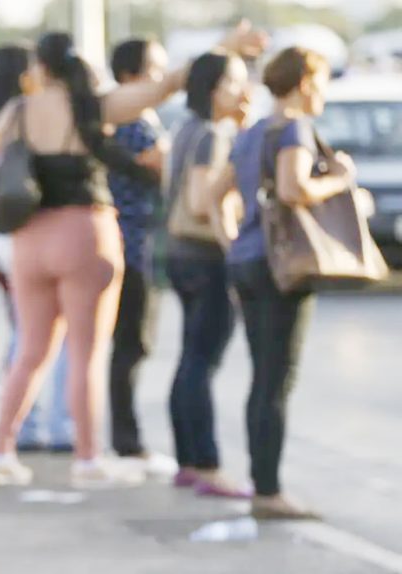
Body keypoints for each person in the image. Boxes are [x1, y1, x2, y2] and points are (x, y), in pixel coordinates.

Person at [0, 31, 177, 488]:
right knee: (86, 353)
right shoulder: (92, 107)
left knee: (30, 351)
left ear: (40, 67)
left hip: (29, 239)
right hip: (85, 234)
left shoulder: (17, 111)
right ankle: (87, 458)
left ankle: (0, 451)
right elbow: (158, 91)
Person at [208, 46, 351, 519]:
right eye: (322, 82)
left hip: (249, 260)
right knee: (276, 380)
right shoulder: (293, 128)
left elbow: (212, 197)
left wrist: (233, 243)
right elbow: (293, 189)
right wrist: (341, 179)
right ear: (305, 82)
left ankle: (262, 484)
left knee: (262, 376)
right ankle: (268, 491)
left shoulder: (252, 132)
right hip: (280, 265)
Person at [165, 51, 251, 499]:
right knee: (202, 361)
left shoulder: (186, 129)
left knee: (190, 358)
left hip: (180, 255)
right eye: (235, 81)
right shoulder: (212, 135)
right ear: (213, 88)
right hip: (205, 255)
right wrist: (233, 243)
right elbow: (202, 202)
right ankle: (206, 464)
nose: (243, 90)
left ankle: (188, 462)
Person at [0, 43, 74, 454]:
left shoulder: (7, 113)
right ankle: (57, 424)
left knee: (25, 329)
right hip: (43, 230)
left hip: (6, 231)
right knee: (52, 333)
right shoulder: (46, 109)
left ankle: (25, 423)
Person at [105, 38, 177, 477]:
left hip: (138, 245)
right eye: (155, 70)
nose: (162, 80)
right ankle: (126, 442)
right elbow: (161, 172)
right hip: (132, 247)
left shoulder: (133, 120)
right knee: (131, 346)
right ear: (130, 76)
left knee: (132, 346)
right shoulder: (131, 123)